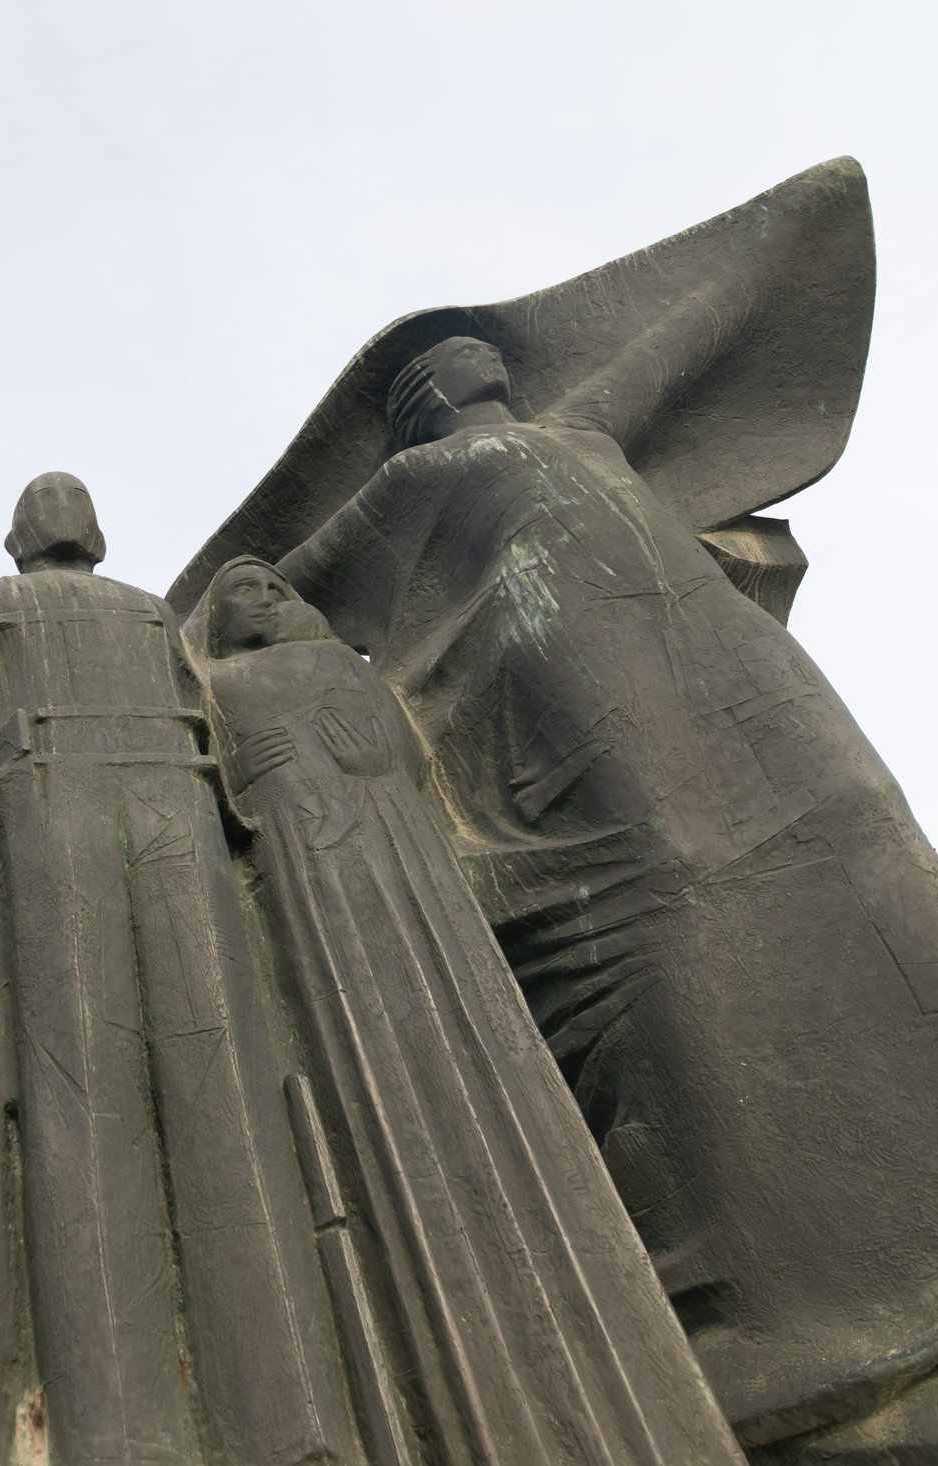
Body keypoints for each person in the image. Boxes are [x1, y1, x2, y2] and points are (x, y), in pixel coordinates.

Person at [274, 337, 938, 1459]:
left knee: (763, 959)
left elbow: (270, 596)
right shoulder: (517, 463)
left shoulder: (506, 460)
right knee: (754, 956)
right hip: (668, 731)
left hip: (658, 740)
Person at [185, 555, 744, 1466]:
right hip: (308, 874)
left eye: (276, 585)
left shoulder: (338, 666)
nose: (271, 597)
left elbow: (399, 754)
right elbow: (218, 784)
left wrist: (360, 752)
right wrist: (255, 769)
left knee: (477, 1042)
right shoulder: (222, 686)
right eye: (246, 592)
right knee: (360, 1058)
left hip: (401, 857)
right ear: (216, 623)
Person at [0, 474, 354, 1466]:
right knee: (135, 1099)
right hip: (107, 813)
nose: (62, 517)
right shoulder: (82, 612)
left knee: (167, 1099)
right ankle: (186, 1423)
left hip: (127, 811)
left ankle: (226, 1422)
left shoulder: (51, 610)